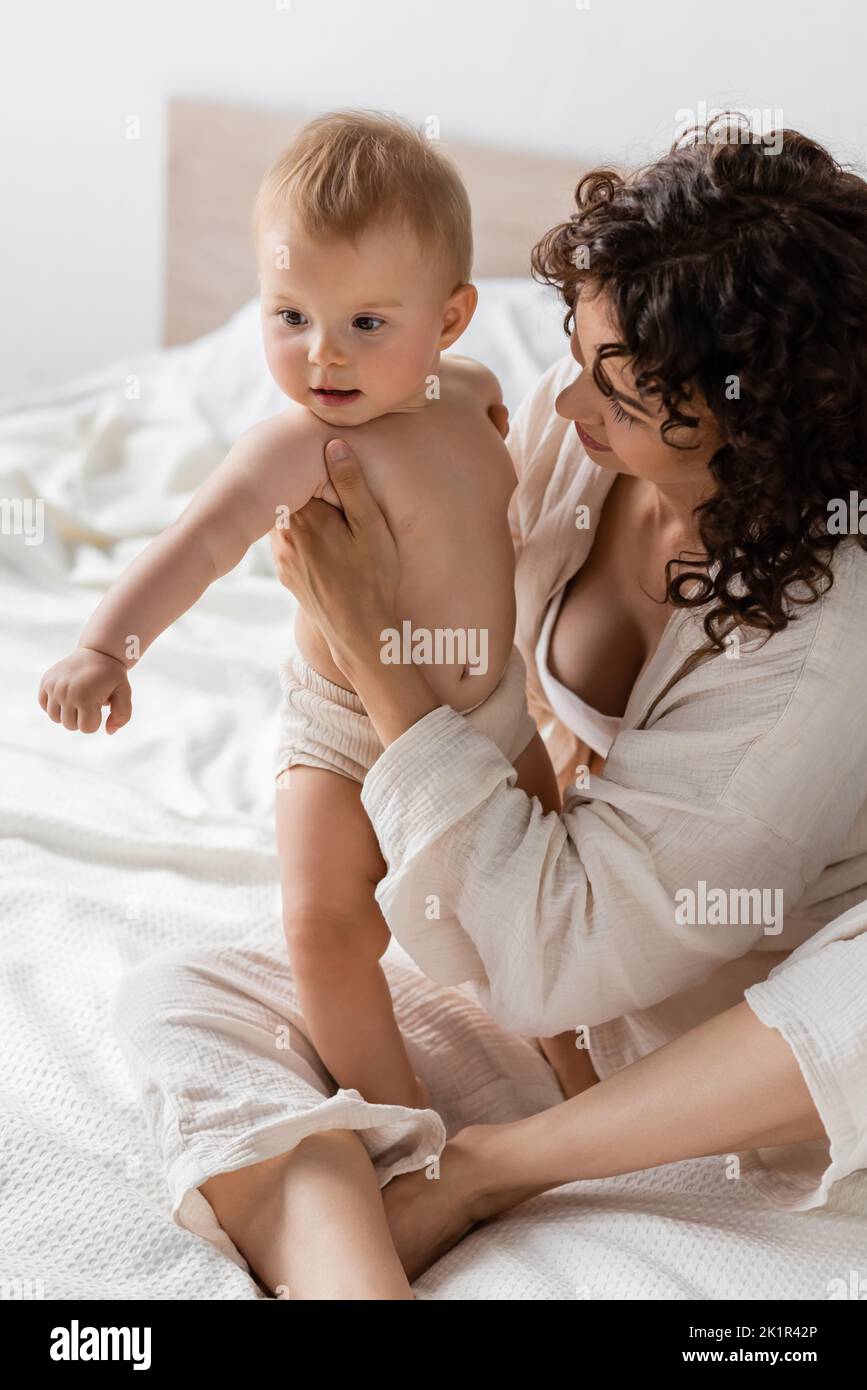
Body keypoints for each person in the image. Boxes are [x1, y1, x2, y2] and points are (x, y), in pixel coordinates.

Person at [111, 116, 867, 1298]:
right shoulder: (583, 448)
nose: (568, 405)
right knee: (191, 993)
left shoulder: (822, 642)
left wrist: (369, 647)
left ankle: (483, 1172)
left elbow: (565, 947)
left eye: (619, 388)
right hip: (564, 999)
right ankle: (361, 1273)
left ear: (757, 425)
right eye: (578, 348)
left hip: (739, 1043)